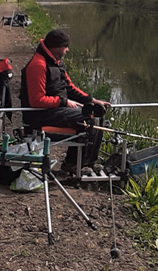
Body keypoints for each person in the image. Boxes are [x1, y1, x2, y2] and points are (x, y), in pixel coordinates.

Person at [20, 28, 110, 175]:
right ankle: (75, 164)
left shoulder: (56, 62)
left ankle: (88, 162)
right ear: (56, 47)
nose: (67, 50)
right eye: (65, 46)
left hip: (55, 110)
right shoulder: (38, 65)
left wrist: (92, 101)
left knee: (97, 113)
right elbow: (36, 100)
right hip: (40, 114)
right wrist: (64, 102)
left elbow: (70, 87)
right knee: (89, 119)